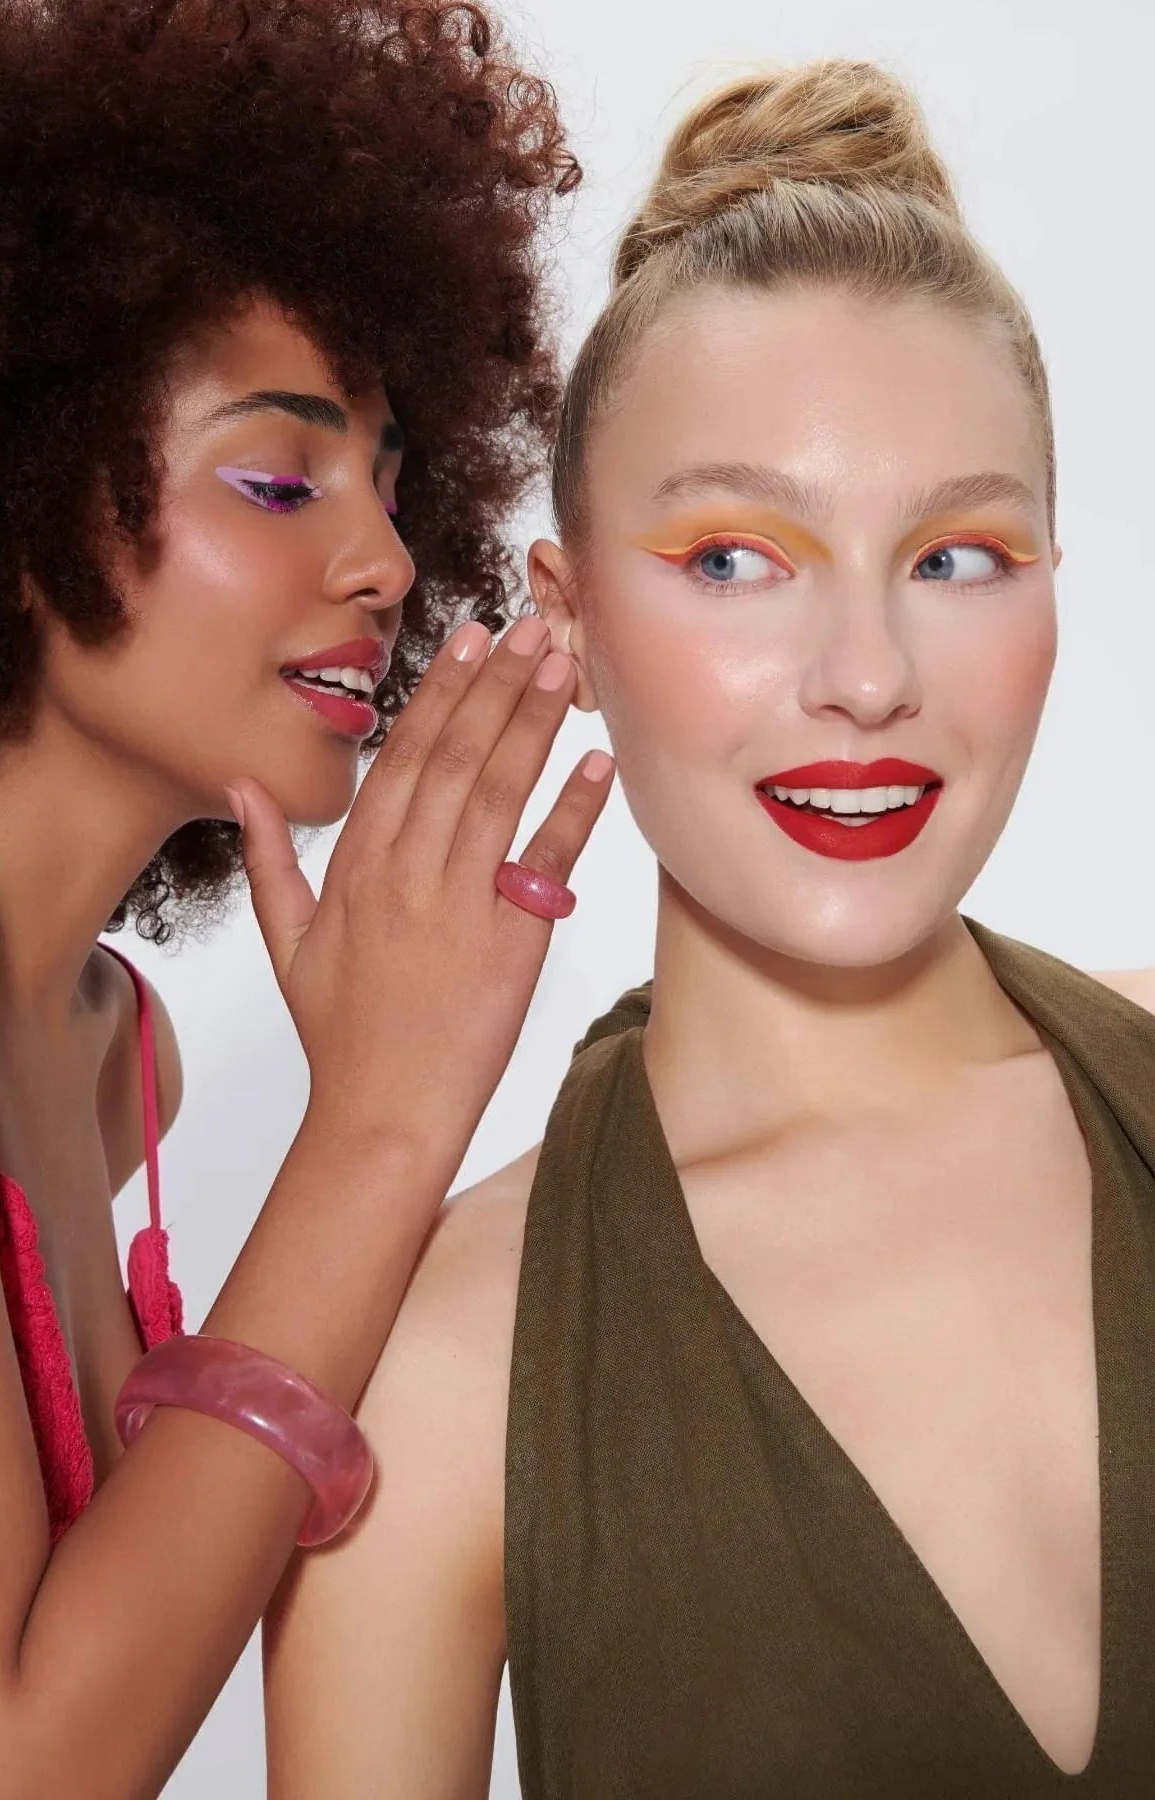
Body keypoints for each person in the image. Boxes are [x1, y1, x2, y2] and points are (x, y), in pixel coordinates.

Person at [262, 57, 1155, 1798]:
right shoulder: (442, 1366)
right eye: (736, 559)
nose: (868, 678)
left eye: (958, 557)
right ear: (568, 616)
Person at [0, 0, 616, 1792]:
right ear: (7, 471)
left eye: (395, 482)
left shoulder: (123, 1061)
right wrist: (384, 1119)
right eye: (275, 476)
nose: (386, 560)